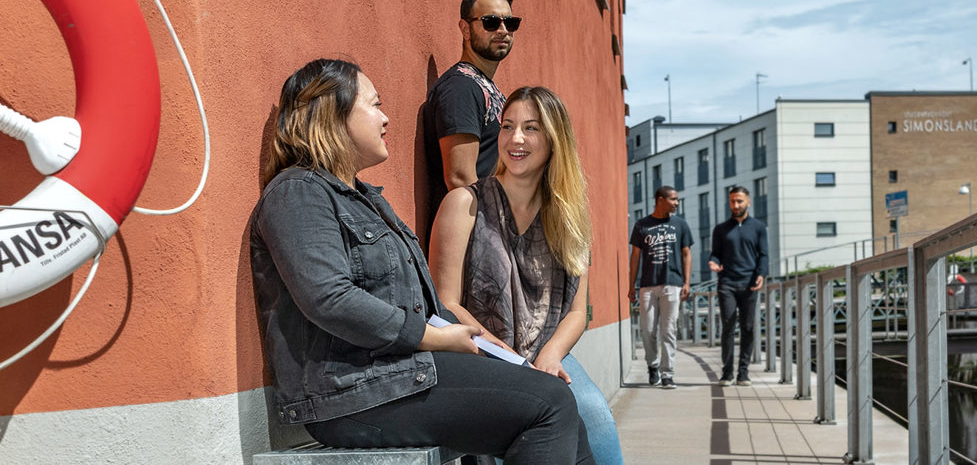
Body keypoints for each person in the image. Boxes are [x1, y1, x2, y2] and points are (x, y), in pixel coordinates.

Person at [250, 59, 591, 464]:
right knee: (550, 403)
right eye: (374, 104)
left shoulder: (367, 200)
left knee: (563, 411)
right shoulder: (297, 192)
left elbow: (427, 306)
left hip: (396, 376)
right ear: (333, 115)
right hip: (350, 395)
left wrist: (488, 346)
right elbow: (330, 300)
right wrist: (435, 338)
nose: (385, 118)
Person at [430, 86, 624, 464]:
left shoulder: (569, 216)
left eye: (531, 128)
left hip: (546, 355)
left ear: (554, 140)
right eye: (507, 126)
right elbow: (445, 303)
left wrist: (551, 357)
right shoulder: (464, 204)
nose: (515, 138)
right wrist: (505, 356)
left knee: (596, 417)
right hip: (483, 353)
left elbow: (577, 312)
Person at [424, 0, 520, 228]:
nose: (503, 30)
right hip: (470, 237)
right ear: (465, 29)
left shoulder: (486, 87)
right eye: (491, 22)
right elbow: (460, 179)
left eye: (510, 23)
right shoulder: (461, 87)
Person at [627, 186, 693, 389]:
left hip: (672, 284)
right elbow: (635, 257)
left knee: (669, 330)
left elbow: (686, 254)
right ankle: (652, 365)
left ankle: (667, 374)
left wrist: (686, 282)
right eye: (673, 199)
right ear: (660, 200)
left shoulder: (680, 224)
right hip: (647, 286)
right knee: (648, 330)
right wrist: (631, 285)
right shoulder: (642, 225)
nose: (677, 203)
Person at [708, 186, 769, 387]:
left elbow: (763, 255)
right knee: (728, 325)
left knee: (748, 327)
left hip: (749, 284)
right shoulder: (720, 229)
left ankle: (743, 373)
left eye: (739, 201)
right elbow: (715, 253)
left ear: (748, 202)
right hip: (727, 283)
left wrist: (761, 274)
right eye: (732, 201)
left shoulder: (758, 227)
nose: (736, 205)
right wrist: (714, 262)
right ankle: (727, 373)